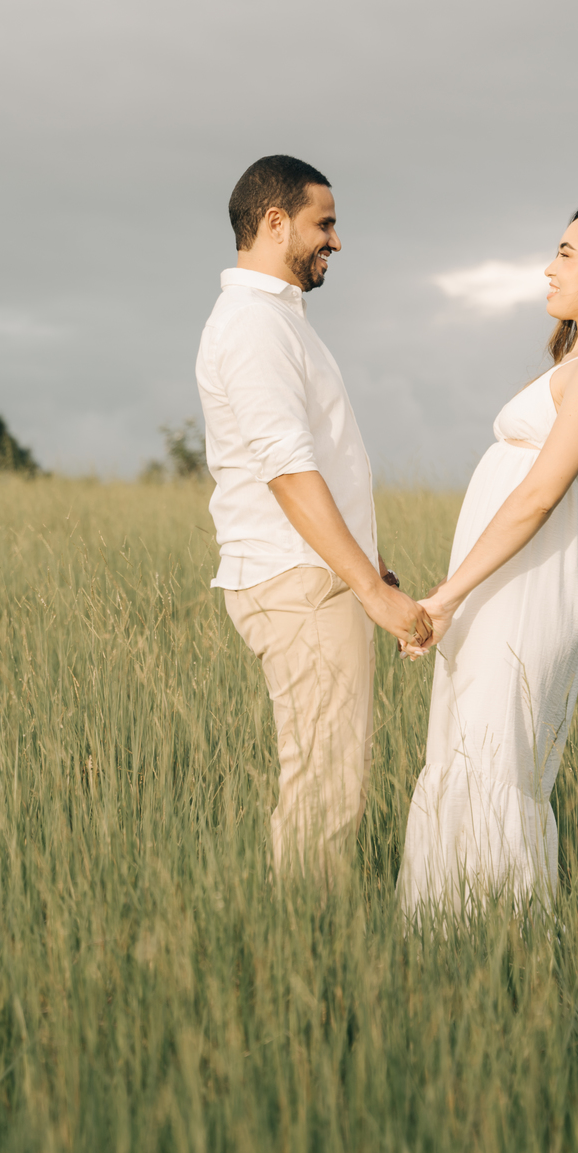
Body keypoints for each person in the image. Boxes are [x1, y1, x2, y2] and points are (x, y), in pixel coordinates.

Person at [397, 204, 578, 916]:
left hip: (519, 588)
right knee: (465, 748)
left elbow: (542, 494)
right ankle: (443, 928)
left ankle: (491, 936)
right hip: (503, 582)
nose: (549, 267)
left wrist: (445, 595)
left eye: (567, 252)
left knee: (493, 756)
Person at [196, 154, 432, 875]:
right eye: (323, 223)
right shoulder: (254, 325)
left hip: (313, 570)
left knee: (329, 783)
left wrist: (373, 564)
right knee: (327, 793)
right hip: (298, 581)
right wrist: (372, 590)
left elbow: (321, 460)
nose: (336, 240)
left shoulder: (276, 319)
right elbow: (287, 469)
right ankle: (307, 964)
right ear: (275, 223)